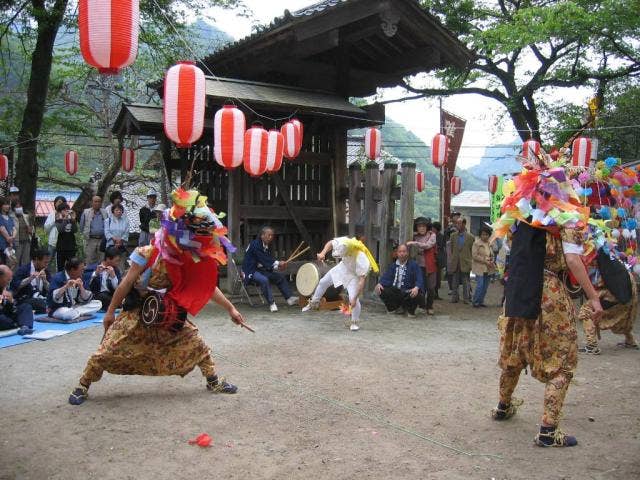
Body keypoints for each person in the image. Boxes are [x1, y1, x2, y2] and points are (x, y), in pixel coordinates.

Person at [68, 187, 244, 406]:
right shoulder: (147, 254)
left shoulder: (186, 258)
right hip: (138, 311)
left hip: (167, 312)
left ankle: (213, 380)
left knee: (196, 342)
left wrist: (230, 309)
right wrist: (111, 312)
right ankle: (83, 384)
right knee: (109, 348)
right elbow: (126, 284)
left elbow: (206, 287)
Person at [491, 153, 603, 447]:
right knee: (562, 362)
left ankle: (503, 407)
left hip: (517, 290)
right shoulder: (565, 219)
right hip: (548, 293)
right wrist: (593, 297)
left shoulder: (518, 217)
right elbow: (573, 261)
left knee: (514, 351)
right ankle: (548, 431)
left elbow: (505, 257)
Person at [302, 236, 378, 331]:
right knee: (323, 282)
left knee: (352, 298)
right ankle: (314, 302)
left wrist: (355, 298)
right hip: (343, 267)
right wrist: (323, 253)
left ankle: (354, 322)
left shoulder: (362, 258)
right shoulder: (345, 242)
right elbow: (330, 243)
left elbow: (362, 281)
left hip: (354, 276)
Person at [578, 257, 638, 355]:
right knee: (625, 316)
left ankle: (591, 346)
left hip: (616, 295)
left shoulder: (603, 264)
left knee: (586, 310)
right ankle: (630, 340)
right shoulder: (612, 258)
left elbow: (598, 284)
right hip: (629, 293)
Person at [241, 226, 298, 312]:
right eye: (269, 235)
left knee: (279, 277)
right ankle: (272, 303)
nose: (270, 237)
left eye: (272, 235)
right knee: (264, 280)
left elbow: (265, 262)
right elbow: (264, 259)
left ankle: (289, 298)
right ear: (262, 235)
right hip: (250, 270)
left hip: (260, 270)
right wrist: (278, 263)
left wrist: (278, 266)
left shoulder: (265, 245)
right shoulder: (255, 244)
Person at [375, 243, 424, 317]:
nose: (402, 254)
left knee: (417, 292)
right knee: (381, 289)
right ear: (397, 253)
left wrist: (416, 287)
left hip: (407, 293)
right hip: (396, 292)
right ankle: (393, 308)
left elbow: (419, 278)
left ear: (407, 253)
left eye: (404, 251)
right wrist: (379, 284)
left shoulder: (414, 265)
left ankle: (410, 310)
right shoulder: (393, 266)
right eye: (400, 251)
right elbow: (386, 277)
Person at [407, 217, 436, 315]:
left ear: (427, 227)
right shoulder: (415, 236)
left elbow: (428, 245)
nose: (422, 228)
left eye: (424, 226)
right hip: (418, 265)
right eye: (419, 226)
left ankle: (430, 306)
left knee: (431, 287)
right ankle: (422, 305)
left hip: (430, 265)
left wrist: (415, 243)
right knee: (420, 286)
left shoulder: (432, 235)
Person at [11, 248, 51, 314]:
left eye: (48, 262)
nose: (46, 264)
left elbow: (51, 289)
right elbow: (16, 286)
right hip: (24, 299)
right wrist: (30, 278)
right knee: (40, 303)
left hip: (40, 298)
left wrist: (45, 280)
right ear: (37, 259)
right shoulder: (23, 269)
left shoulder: (45, 271)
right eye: (45, 262)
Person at [83, 247, 122, 311]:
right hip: (97, 296)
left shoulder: (116, 270)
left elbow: (118, 289)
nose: (118, 263)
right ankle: (118, 305)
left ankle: (117, 304)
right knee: (103, 296)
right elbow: (86, 285)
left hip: (111, 295)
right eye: (116, 261)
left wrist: (113, 276)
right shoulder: (93, 268)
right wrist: (95, 274)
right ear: (108, 259)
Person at [0, 265, 35, 335]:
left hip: (7, 313)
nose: (8, 282)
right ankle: (16, 324)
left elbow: (13, 309)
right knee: (2, 319)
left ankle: (25, 327)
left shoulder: (6, 286)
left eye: (10, 279)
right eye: (7, 280)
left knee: (26, 307)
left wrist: (11, 301)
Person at [449, 217, 474, 303]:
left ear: (464, 224)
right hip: (455, 261)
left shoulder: (471, 237)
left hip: (466, 261)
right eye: (456, 223)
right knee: (454, 281)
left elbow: (472, 251)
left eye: (459, 223)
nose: (457, 225)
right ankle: (454, 297)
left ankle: (466, 298)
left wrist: (470, 261)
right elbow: (452, 249)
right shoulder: (453, 236)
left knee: (465, 281)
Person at [80, 195, 108, 265]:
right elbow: (81, 226)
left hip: (102, 240)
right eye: (95, 201)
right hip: (90, 240)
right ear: (92, 203)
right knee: (89, 259)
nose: (97, 203)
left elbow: (108, 225)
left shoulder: (105, 212)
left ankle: (100, 275)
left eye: (99, 201)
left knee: (102, 260)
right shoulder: (86, 212)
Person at [471, 226, 494, 308]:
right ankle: (475, 302)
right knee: (480, 285)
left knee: (485, 286)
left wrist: (491, 260)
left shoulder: (490, 243)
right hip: (479, 267)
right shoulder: (476, 243)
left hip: (488, 267)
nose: (485, 236)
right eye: (483, 234)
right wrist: (484, 260)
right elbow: (474, 256)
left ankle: (481, 301)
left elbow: (491, 254)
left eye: (486, 234)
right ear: (480, 235)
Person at [44, 195, 67, 272]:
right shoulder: (52, 214)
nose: (60, 204)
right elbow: (46, 228)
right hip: (52, 242)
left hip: (62, 243)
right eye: (58, 202)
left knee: (60, 264)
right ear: (55, 203)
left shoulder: (67, 215)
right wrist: (55, 221)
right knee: (47, 262)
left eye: (62, 202)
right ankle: (46, 278)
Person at [104, 204, 130, 272]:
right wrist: (114, 239)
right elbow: (107, 232)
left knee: (120, 265)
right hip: (111, 245)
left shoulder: (126, 221)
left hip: (121, 245)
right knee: (110, 264)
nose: (119, 212)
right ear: (113, 211)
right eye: (117, 210)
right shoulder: (108, 221)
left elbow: (126, 232)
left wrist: (120, 241)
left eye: (120, 210)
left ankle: (120, 280)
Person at [54, 202, 78, 272]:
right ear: (60, 211)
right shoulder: (58, 218)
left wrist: (73, 220)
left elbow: (75, 230)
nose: (66, 211)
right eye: (64, 210)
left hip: (71, 246)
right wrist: (64, 218)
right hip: (61, 247)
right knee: (60, 267)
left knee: (72, 266)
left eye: (67, 209)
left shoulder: (71, 218)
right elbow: (60, 230)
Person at [13, 201, 33, 267]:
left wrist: (30, 229)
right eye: (17, 207)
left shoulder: (26, 216)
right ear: (14, 208)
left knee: (26, 260)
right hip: (17, 242)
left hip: (27, 241)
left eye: (20, 206)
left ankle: (24, 276)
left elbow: (31, 227)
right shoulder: (12, 217)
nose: (19, 208)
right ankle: (14, 276)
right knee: (16, 260)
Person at [444, 211, 461, 293]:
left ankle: (457, 287)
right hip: (450, 250)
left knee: (459, 270)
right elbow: (446, 236)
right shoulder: (449, 227)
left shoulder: (461, 227)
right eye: (456, 216)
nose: (457, 217)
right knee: (450, 270)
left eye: (458, 216)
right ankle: (451, 288)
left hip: (459, 250)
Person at [0, 197, 16, 266]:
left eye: (8, 204)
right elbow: (2, 229)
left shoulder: (10, 218)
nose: (7, 206)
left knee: (13, 263)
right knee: (2, 264)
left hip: (10, 245)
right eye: (5, 204)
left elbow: (14, 229)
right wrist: (9, 239)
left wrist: (12, 237)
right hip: (2, 245)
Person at [432, 221, 446, 300]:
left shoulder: (440, 236)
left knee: (437, 278)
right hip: (434, 258)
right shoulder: (432, 236)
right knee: (434, 278)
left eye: (433, 228)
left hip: (438, 259)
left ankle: (436, 293)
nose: (432, 229)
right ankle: (434, 293)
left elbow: (441, 246)